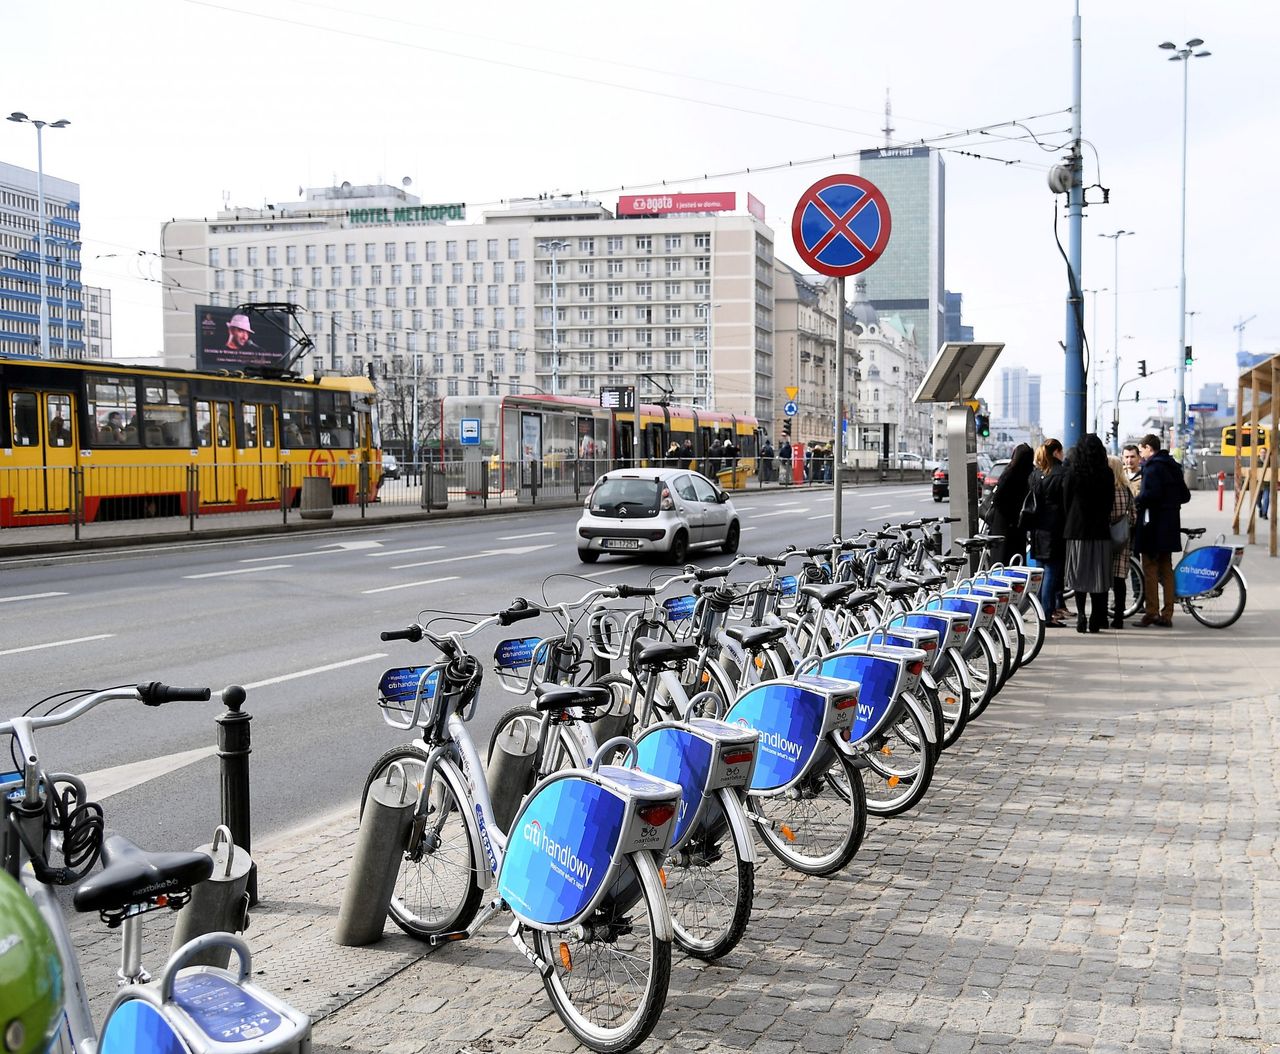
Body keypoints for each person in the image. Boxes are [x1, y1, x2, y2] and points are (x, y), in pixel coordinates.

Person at [1134, 432, 1191, 627]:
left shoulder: (1151, 468)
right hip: (1170, 524)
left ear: (1149, 448)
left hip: (1152, 525)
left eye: (1141, 452)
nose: (1141, 456)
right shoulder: (1173, 466)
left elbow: (1150, 495)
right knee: (1166, 569)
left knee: (1149, 568)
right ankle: (1167, 614)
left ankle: (1151, 612)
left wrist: (1137, 501)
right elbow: (1185, 496)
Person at [1063, 434, 1114, 633]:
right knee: (1097, 576)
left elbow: (1066, 501)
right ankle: (1095, 617)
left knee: (1079, 575)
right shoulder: (1107, 473)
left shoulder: (1072, 473)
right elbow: (1109, 502)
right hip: (1100, 531)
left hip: (1077, 531)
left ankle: (1081, 615)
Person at [1028, 438, 1067, 626]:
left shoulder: (1036, 474)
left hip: (1037, 528)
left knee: (1041, 571)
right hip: (1055, 528)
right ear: (1057, 452)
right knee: (1052, 571)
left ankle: (1042, 612)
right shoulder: (1061, 473)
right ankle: (1047, 613)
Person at [988, 443, 1034, 566]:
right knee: (1016, 561)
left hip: (1003, 524)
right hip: (1015, 526)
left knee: (1001, 562)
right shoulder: (1028, 475)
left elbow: (997, 498)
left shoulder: (1009, 473)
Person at [1107, 454, 1137, 628]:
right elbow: (1133, 516)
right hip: (1122, 538)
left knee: (1104, 576)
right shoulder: (1126, 490)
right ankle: (1119, 616)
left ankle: (1103, 613)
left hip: (1105, 538)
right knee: (1120, 579)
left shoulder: (1104, 489)